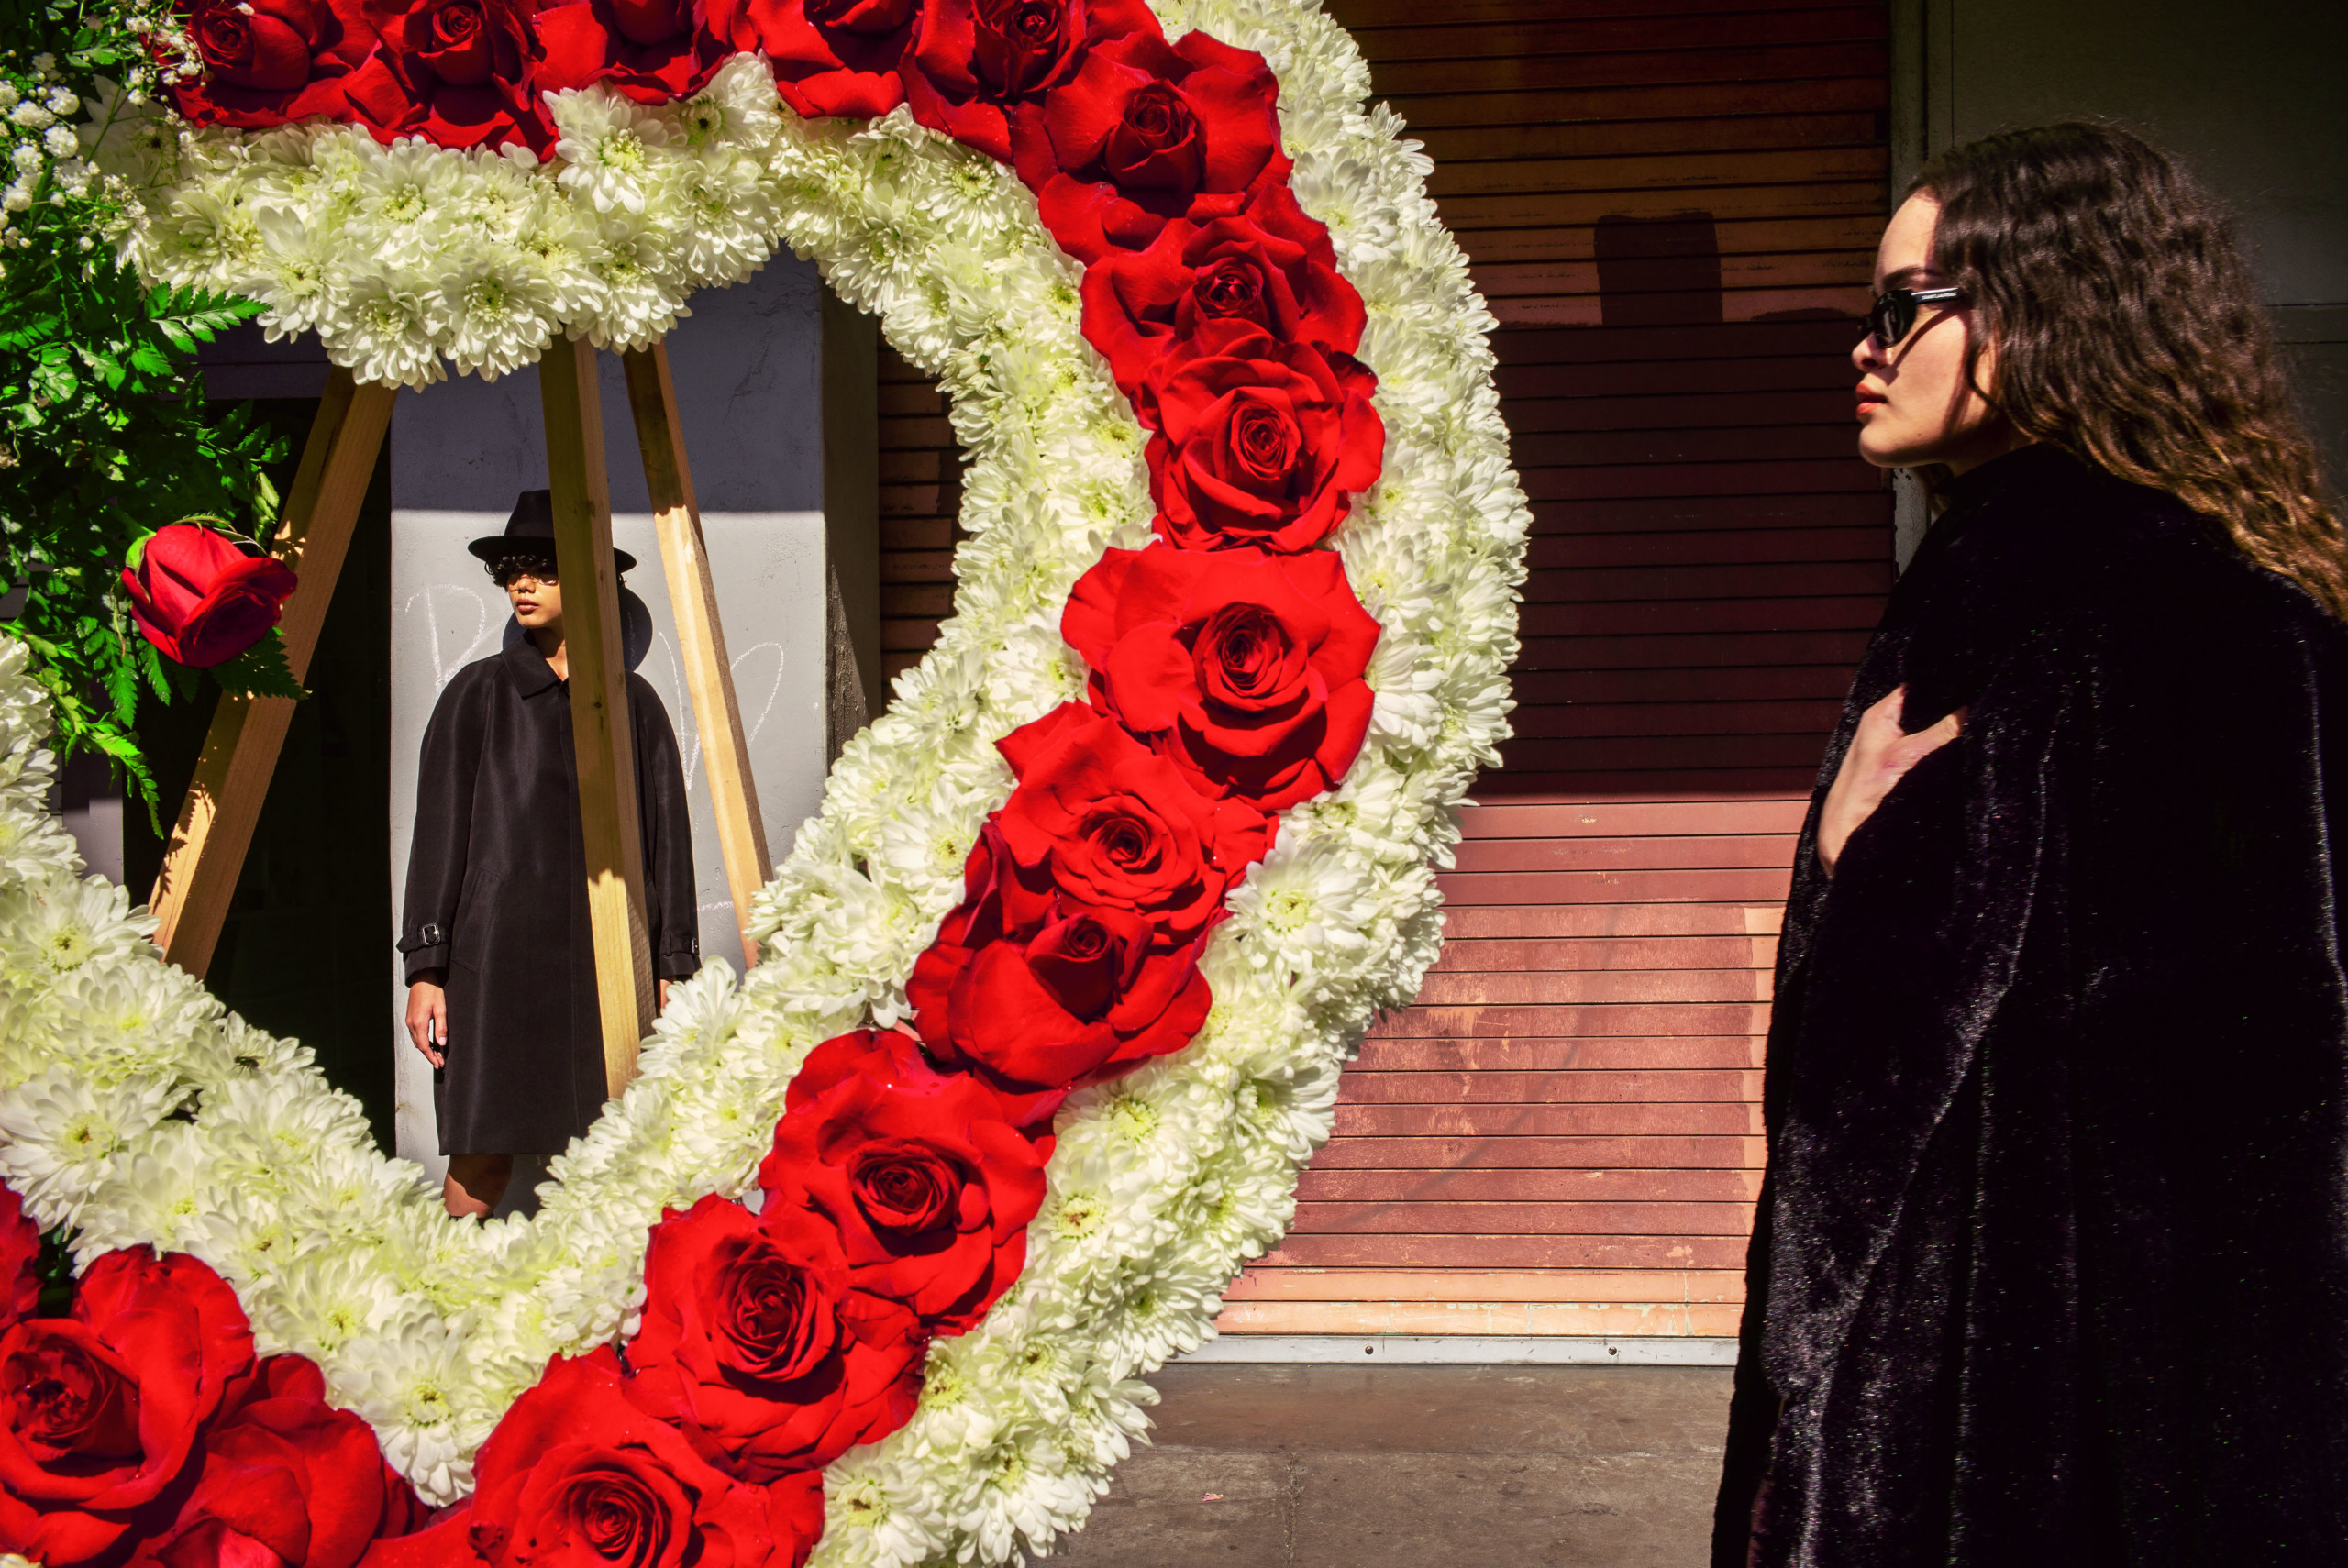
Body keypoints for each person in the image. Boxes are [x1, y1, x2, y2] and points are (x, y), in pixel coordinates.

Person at [1713, 123, 2348, 1565]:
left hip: (2030, 1425)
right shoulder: (2014, 580)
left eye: (1904, 308)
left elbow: (2250, 1123)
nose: (1865, 347)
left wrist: (1862, 872)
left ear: (2044, 311)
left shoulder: (2166, 608)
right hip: (1987, 1396)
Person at [400, 491, 700, 1219]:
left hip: (611, 960)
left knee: (621, 1147)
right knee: (481, 1145)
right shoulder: (477, 695)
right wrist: (427, 968)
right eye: (512, 571)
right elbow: (438, 833)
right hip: (494, 961)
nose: (522, 585)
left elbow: (668, 839)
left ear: (591, 582)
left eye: (543, 571)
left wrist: (673, 964)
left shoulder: (633, 705)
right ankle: (456, 1285)